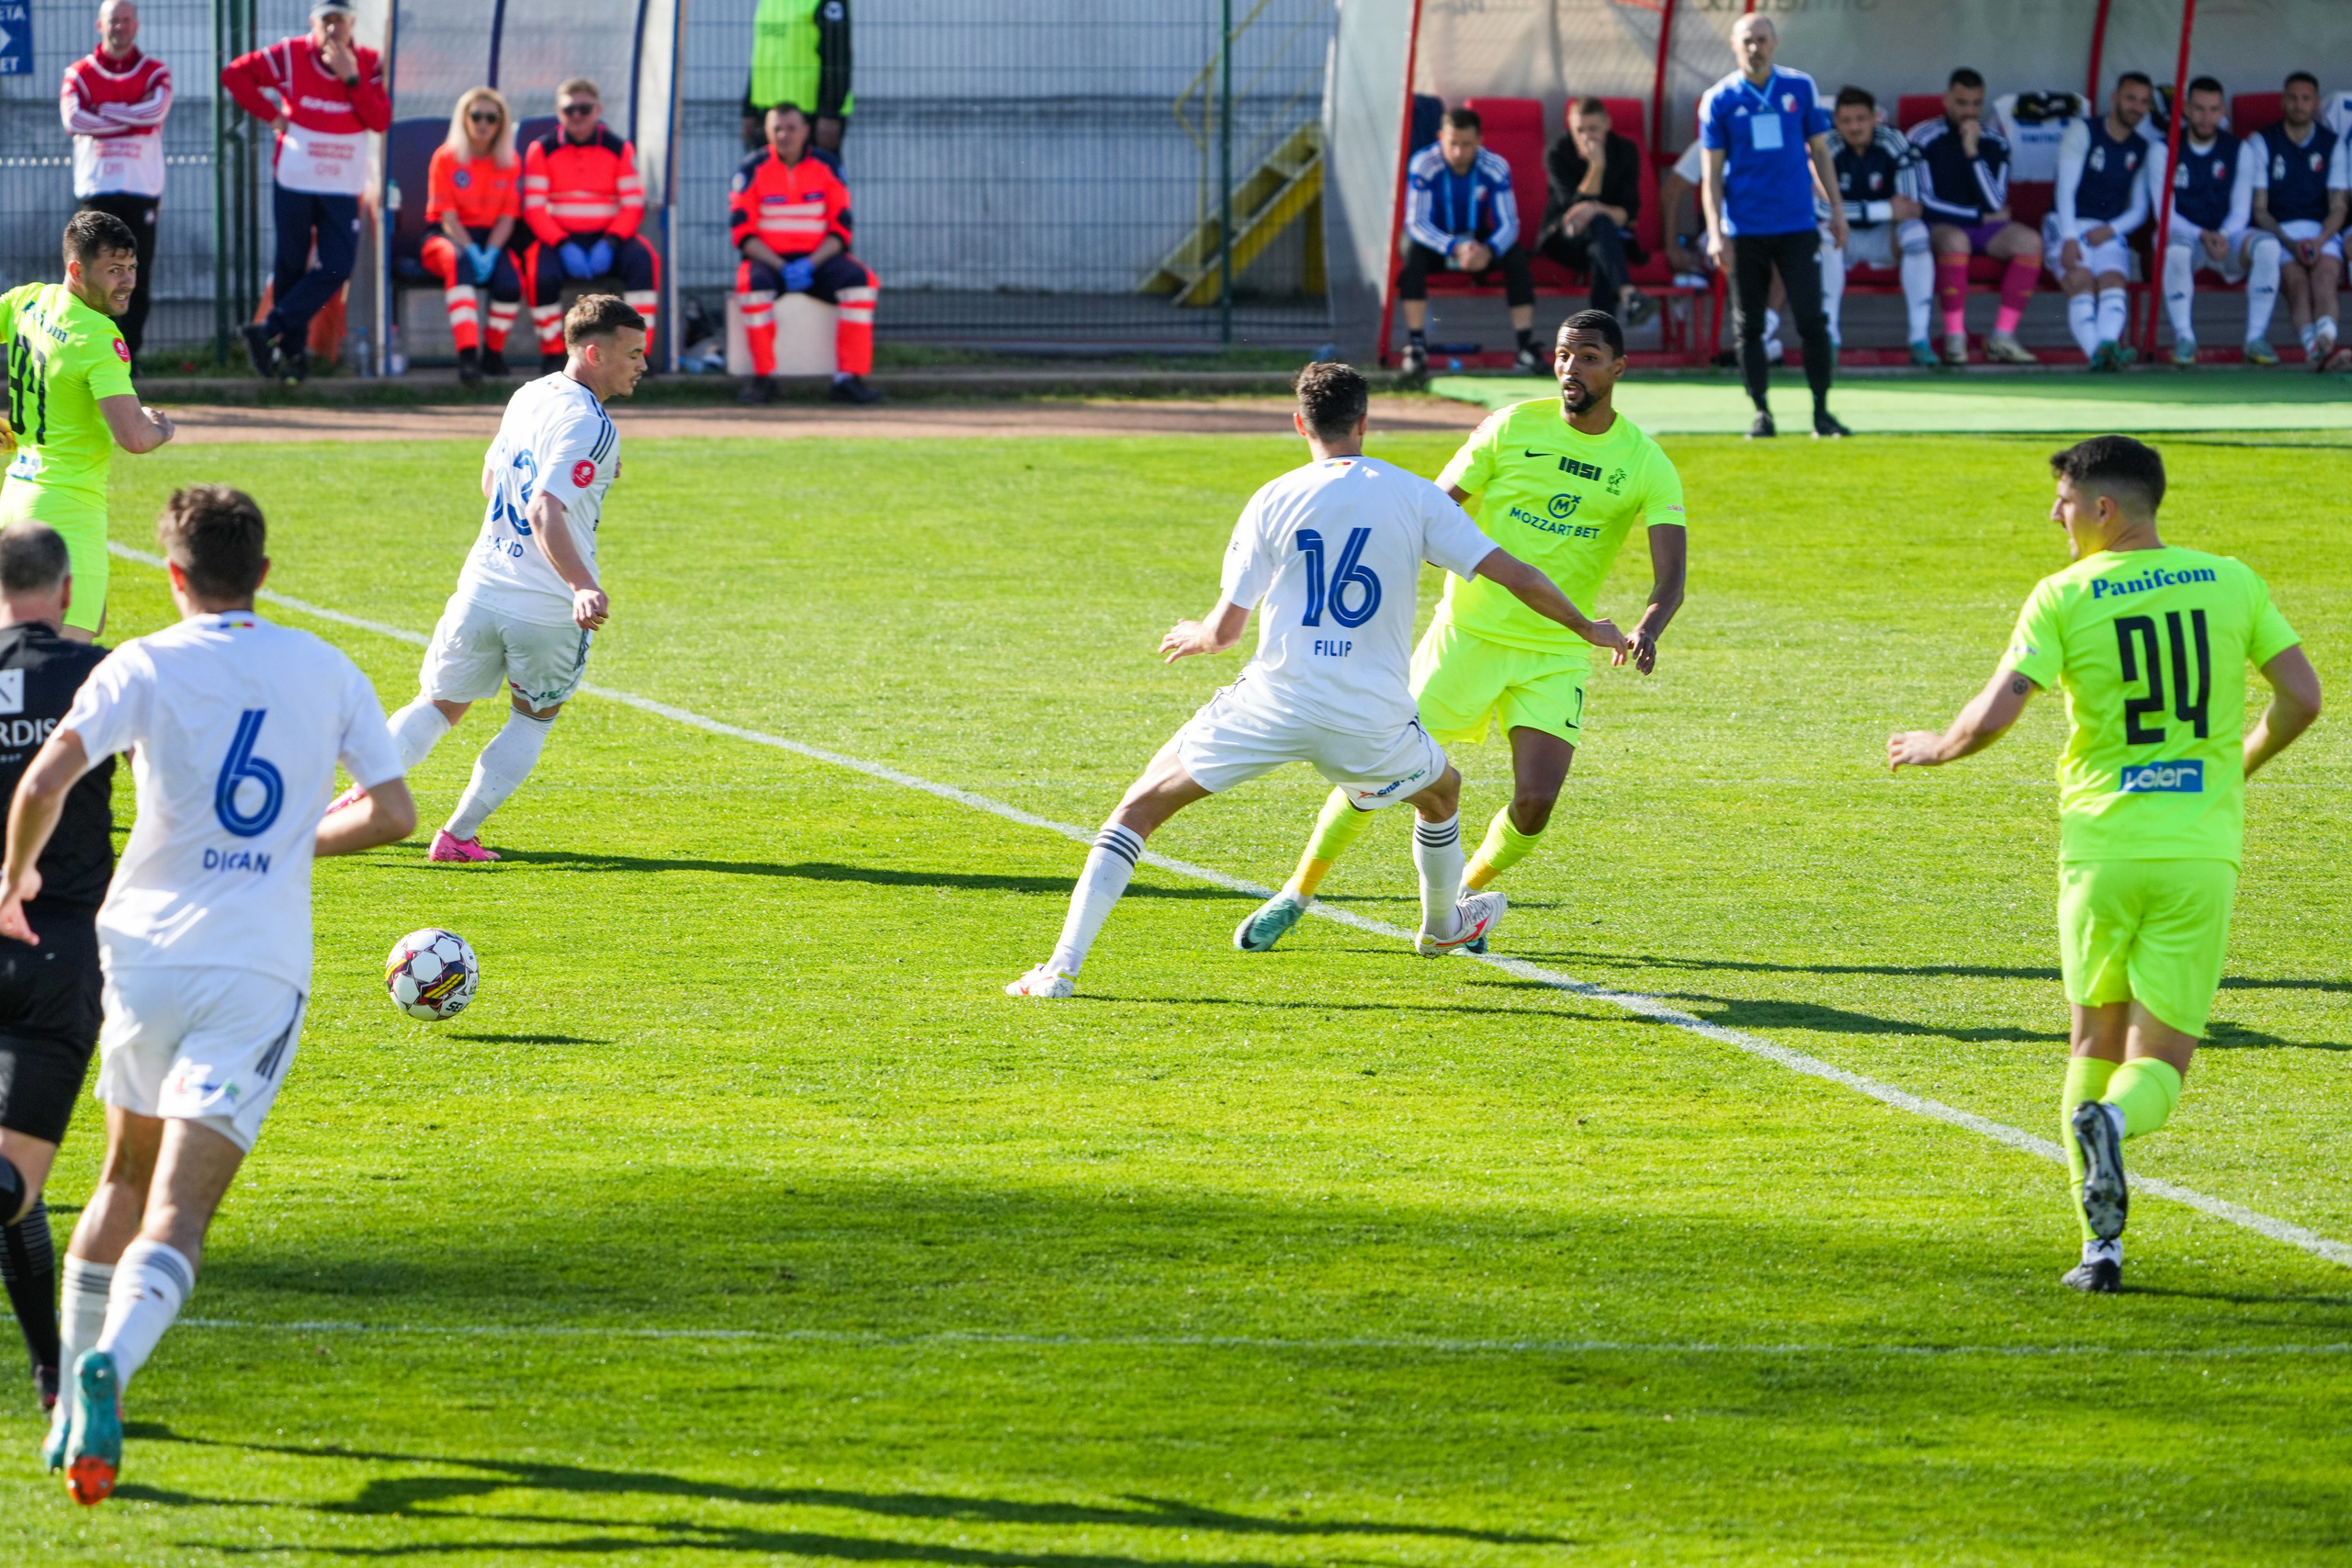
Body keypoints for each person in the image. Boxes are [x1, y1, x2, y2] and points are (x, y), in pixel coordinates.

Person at [7, 485, 416, 1503]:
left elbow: (44, 782)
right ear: (263, 573)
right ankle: (110, 1367)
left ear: (173, 575)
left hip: (139, 953)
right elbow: (394, 812)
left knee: (120, 1178)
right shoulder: (325, 667)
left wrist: (13, 880)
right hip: (253, 963)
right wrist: (293, 842)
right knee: (180, 1214)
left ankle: (66, 1406)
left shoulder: (139, 662)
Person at [1007, 363, 1627, 998]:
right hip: (1369, 720)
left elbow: (1224, 633)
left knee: (1138, 810)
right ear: (1365, 422)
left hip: (1274, 704)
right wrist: (1586, 625)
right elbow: (1517, 575)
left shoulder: (1273, 497)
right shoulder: (1417, 497)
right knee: (1442, 795)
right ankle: (1443, 925)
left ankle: (1061, 968)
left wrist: (1198, 634)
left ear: (1300, 424)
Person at [1888, 435, 2320, 1294]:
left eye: (2062, 500)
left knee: (2092, 1041)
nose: (2054, 515)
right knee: (2160, 1059)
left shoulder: (2065, 594)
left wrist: (1938, 745)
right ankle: (2116, 1122)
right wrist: (2234, 765)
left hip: (2101, 852)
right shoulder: (2231, 580)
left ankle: (2100, 1253)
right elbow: (2302, 697)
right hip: (2198, 855)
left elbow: (1998, 710)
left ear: (2103, 507)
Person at [1236, 312, 1685, 953]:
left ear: (1618, 368)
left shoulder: (1645, 461)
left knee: (1536, 801)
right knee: (1375, 773)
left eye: (1588, 357)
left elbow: (1673, 574)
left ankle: (1461, 899)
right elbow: (1434, 506)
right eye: (1563, 355)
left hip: (1556, 652)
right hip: (1467, 637)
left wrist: (1648, 627)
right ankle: (1297, 893)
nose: (1571, 369)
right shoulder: (1511, 427)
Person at [336, 297, 644, 862]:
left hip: (482, 585)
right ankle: (457, 837)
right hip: (546, 606)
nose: (642, 365)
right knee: (533, 719)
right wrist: (582, 584)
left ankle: (356, 799)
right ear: (595, 353)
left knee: (437, 704)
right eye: (633, 354)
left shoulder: (529, 394)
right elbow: (545, 508)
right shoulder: (593, 424)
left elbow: (490, 481)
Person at [0, 524, 112, 1423]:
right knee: (12, 1186)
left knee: (10, 1191)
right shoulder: (99, 675)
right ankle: (54, 1370)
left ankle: (52, 1369)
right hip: (63, 952)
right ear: (67, 592)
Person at [0, 210, 175, 644]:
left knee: (77, 629)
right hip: (67, 507)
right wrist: (160, 428)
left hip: (17, 495)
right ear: (76, 271)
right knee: (60, 655)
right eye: (113, 270)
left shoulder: (28, 300)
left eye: (132, 267)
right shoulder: (97, 336)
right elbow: (134, 437)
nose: (127, 281)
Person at [221, 0, 390, 385]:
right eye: (325, 20)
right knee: (291, 265)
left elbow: (379, 120)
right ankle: (291, 356)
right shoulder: (291, 54)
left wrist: (352, 79)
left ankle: (268, 330)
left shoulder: (367, 62)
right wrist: (272, 115)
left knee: (337, 265)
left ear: (352, 24)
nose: (332, 28)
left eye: (340, 20)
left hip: (342, 183)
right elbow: (234, 75)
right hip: (296, 177)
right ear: (313, 22)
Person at [1699, 12, 1849, 439]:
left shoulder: (1800, 87)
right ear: (1734, 45)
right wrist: (1715, 231)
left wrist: (1837, 210)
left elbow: (1820, 152)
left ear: (1775, 42)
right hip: (1745, 229)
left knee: (1811, 319)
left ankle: (1821, 412)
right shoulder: (1719, 98)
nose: (1755, 48)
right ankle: (1762, 413)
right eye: (1747, 40)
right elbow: (1712, 174)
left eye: (1762, 39)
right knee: (1748, 326)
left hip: (1796, 224)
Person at [730, 103, 883, 405]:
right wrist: (781, 266)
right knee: (751, 287)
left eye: (791, 128)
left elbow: (841, 228)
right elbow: (742, 233)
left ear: (806, 131)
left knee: (862, 283)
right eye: (777, 129)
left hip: (819, 260)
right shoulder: (751, 168)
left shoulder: (827, 165)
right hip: (769, 261)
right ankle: (764, 379)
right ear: (767, 133)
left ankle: (848, 379)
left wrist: (809, 264)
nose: (784, 135)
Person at [59, 0, 171, 367]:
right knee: (91, 276)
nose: (119, 26)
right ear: (100, 25)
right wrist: (131, 118)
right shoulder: (78, 73)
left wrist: (105, 111)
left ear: (135, 25)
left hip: (142, 191)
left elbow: (155, 112)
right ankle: (89, 356)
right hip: (97, 190)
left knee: (134, 276)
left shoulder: (155, 72)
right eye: (113, 21)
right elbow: (75, 121)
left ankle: (128, 359)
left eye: (125, 20)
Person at [523, 79, 661, 373]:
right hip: (560, 240)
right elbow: (534, 208)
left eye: (584, 109)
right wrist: (562, 244)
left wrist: (611, 242)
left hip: (609, 239)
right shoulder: (541, 150)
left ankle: (639, 353)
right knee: (539, 271)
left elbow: (633, 204)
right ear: (558, 112)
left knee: (644, 260)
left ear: (598, 110)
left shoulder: (619, 148)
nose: (577, 116)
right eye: (569, 109)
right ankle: (552, 355)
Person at [1910, 68, 2042, 366]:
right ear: (1946, 100)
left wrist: (1972, 152)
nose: (1969, 111)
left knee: (2030, 242)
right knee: (1956, 240)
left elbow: (1995, 201)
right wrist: (1977, 217)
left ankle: (2002, 338)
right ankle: (1955, 339)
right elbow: (1924, 202)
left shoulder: (1996, 142)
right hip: (1943, 227)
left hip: (1984, 229)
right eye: (1961, 103)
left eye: (1976, 104)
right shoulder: (1922, 137)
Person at [1397, 108, 1541, 377]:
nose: (1458, 152)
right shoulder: (1424, 164)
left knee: (1515, 256)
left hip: (1478, 244)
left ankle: (1525, 346)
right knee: (1411, 251)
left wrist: (1488, 250)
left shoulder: (1495, 165)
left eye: (1466, 144)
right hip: (1439, 243)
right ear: (1440, 138)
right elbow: (1417, 223)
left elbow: (1509, 223)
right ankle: (1416, 345)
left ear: (1479, 141)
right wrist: (1455, 247)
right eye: (1452, 143)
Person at [2158, 76, 2281, 368]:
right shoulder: (2163, 149)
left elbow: (2241, 210)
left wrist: (2223, 234)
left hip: (2226, 239)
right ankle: (2185, 339)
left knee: (2268, 246)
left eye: (2213, 109)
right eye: (2199, 109)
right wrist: (2203, 235)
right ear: (2186, 109)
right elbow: (2165, 214)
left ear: (2222, 111)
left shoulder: (2239, 150)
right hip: (2187, 237)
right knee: (2175, 249)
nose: (2206, 117)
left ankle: (2255, 338)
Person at [2048, 72, 2154, 371]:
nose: (2136, 107)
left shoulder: (2142, 148)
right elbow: (2065, 190)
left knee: (2114, 282)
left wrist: (2111, 229)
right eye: (2130, 98)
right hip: (2066, 222)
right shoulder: (2083, 131)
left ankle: (2106, 347)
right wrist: (2069, 237)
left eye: (2143, 102)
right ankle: (2099, 353)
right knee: (2080, 281)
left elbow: (2140, 209)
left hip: (2107, 230)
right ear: (2115, 98)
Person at [1821, 85, 1934, 365]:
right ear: (1836, 122)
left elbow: (1909, 205)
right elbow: (1820, 208)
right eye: (1846, 120)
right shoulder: (1826, 146)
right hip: (1844, 237)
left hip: (1885, 237)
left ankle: (1919, 338)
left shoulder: (1893, 141)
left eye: (1861, 118)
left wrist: (1849, 210)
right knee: (1824, 235)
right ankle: (1828, 338)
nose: (1854, 127)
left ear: (1875, 118)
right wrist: (1884, 209)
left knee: (1916, 233)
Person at [421, 86, 524, 386]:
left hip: (490, 239)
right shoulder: (446, 158)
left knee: (510, 281)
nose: (483, 123)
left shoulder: (510, 161)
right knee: (459, 262)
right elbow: (447, 217)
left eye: (491, 117)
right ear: (464, 118)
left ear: (501, 123)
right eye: (476, 115)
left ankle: (492, 353)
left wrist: (490, 252)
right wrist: (471, 250)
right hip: (447, 236)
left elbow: (507, 218)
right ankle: (468, 357)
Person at [2250, 73, 2343, 367]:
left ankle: (2326, 338)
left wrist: (2319, 240)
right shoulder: (2262, 141)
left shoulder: (2332, 144)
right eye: (2292, 97)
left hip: (2321, 232)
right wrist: (2291, 244)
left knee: (2325, 278)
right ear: (2282, 101)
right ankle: (2312, 347)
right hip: (2280, 233)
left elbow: (2338, 206)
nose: (2298, 104)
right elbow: (2260, 209)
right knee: (2296, 283)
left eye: (2305, 98)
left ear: (2316, 104)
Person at [1540, 97, 1653, 325]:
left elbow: (1629, 214)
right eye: (1579, 130)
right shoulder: (1557, 153)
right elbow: (1574, 213)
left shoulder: (1625, 151)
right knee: (1599, 227)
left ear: (1607, 124)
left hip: (1606, 240)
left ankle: (1600, 332)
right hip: (1565, 238)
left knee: (1599, 241)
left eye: (1593, 129)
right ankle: (1628, 295)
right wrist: (1597, 167)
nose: (1586, 137)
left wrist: (1596, 208)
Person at [741, 0, 850, 164]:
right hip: (768, 116)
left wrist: (830, 113)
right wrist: (749, 110)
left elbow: (837, 54)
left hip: (810, 117)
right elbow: (761, 55)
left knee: (814, 177)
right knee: (769, 178)